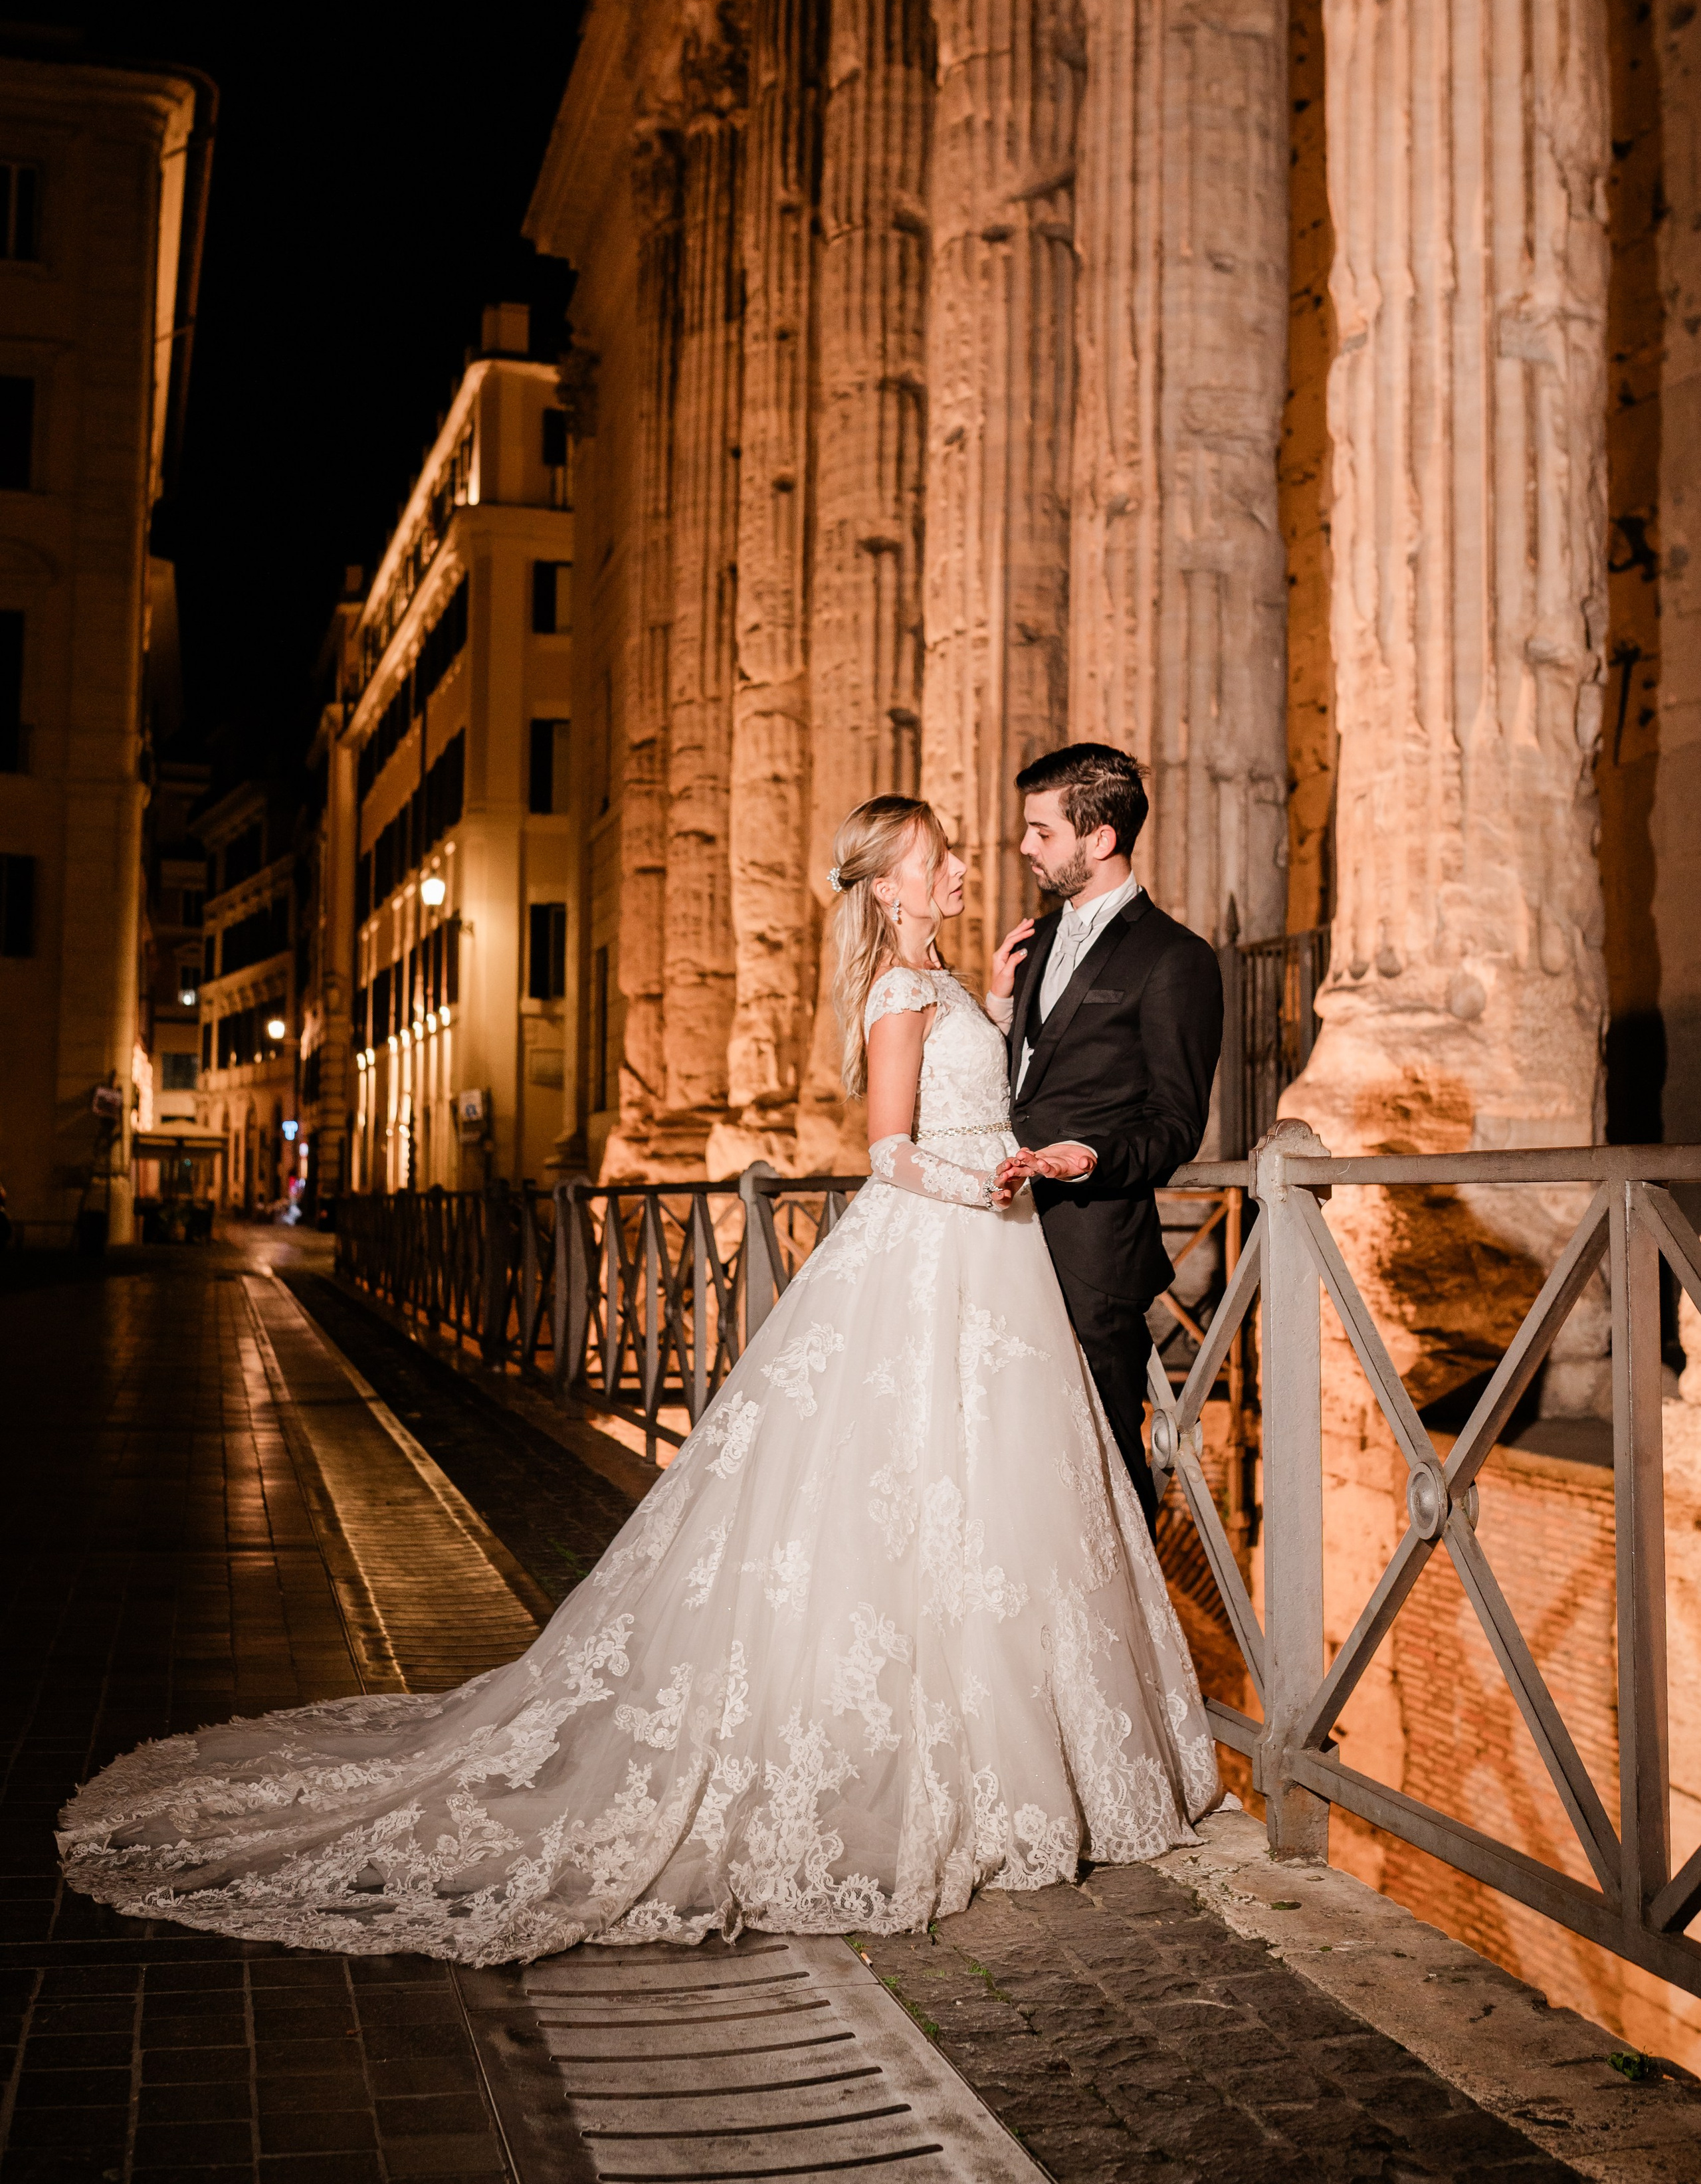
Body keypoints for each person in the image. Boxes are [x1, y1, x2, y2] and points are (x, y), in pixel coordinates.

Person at [58, 796, 1217, 1965]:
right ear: (889, 889)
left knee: (979, 1499)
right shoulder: (901, 992)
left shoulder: (956, 980)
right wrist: (986, 1186)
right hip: (946, 1241)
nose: (966, 865)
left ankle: (991, 1744)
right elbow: (887, 1149)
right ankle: (917, 1754)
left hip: (990, 1260)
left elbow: (977, 1093)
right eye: (938, 858)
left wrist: (1008, 1013)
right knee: (898, 1490)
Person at [989, 745, 1224, 1536]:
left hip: (1092, 1249)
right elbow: (1019, 1078)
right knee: (1010, 1463)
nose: (1025, 846)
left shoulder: (1176, 959)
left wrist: (1090, 1155)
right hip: (998, 1239)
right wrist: (993, 1014)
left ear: (1098, 838)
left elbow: (1175, 1121)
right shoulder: (1030, 941)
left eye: (1041, 831)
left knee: (1108, 1474)